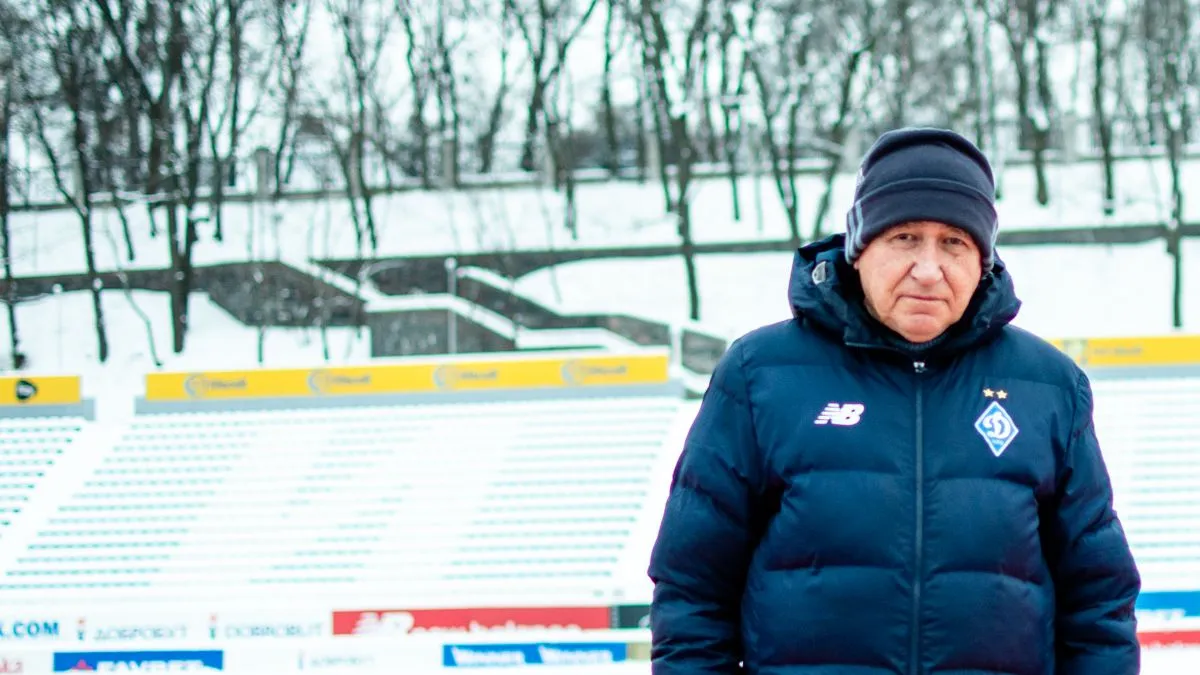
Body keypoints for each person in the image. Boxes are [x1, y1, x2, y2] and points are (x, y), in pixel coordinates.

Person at [647, 127, 1141, 675]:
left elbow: (1099, 603)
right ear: (859, 250)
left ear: (982, 261)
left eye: (954, 242)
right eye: (905, 237)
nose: (928, 270)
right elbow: (692, 591)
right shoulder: (759, 375)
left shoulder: (1049, 387)